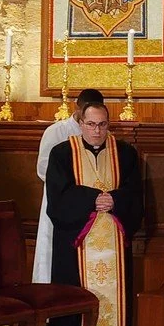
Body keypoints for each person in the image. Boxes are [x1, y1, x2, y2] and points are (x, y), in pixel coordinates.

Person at [45, 102, 142, 326]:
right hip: (75, 243)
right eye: (91, 124)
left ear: (108, 124)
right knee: (72, 292)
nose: (97, 131)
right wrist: (92, 199)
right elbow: (57, 197)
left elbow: (135, 194)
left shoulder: (125, 153)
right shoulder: (62, 153)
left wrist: (115, 201)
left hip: (115, 239)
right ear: (80, 124)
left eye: (102, 124)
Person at [32, 89, 105, 283]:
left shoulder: (101, 131)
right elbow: (43, 168)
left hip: (90, 202)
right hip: (62, 198)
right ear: (77, 107)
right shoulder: (56, 131)